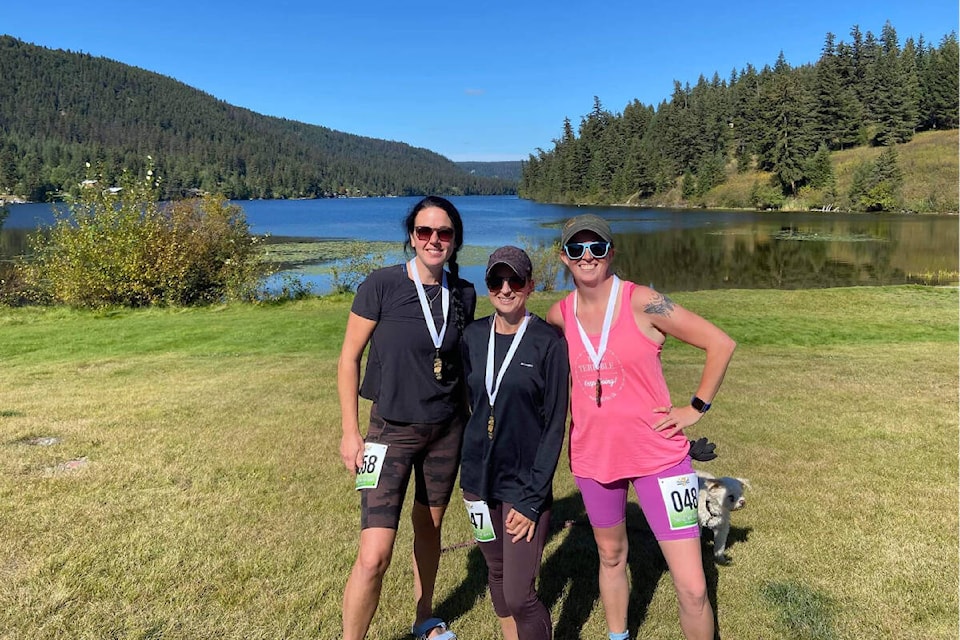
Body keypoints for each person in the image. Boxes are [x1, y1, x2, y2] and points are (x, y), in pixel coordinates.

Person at [545, 214, 736, 640]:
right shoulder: (559, 314)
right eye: (577, 249)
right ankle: (618, 636)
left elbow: (720, 342)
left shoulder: (641, 300)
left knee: (692, 586)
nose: (587, 256)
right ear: (564, 257)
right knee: (611, 557)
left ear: (611, 253)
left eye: (597, 247)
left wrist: (695, 407)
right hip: (594, 457)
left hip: (660, 458)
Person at [337, 196, 476, 640]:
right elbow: (348, 359)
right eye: (424, 232)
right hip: (388, 433)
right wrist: (350, 431)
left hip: (446, 431)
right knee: (374, 553)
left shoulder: (464, 293)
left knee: (429, 528)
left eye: (444, 233)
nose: (434, 240)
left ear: (455, 240)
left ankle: (424, 619)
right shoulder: (381, 285)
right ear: (412, 237)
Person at [459, 246, 569, 640]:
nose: (506, 289)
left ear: (530, 285)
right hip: (476, 481)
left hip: (523, 485)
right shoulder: (472, 336)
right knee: (497, 573)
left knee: (520, 595)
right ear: (488, 285)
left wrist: (531, 498)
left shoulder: (548, 342)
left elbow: (555, 424)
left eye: (515, 280)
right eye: (496, 280)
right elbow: (471, 402)